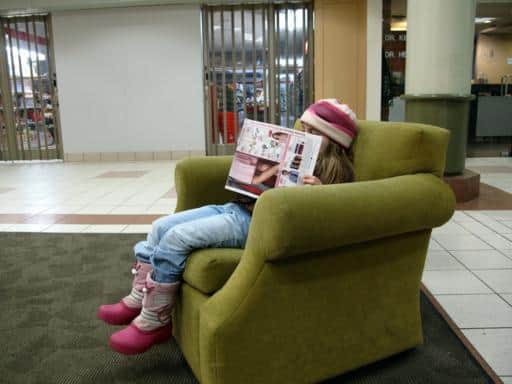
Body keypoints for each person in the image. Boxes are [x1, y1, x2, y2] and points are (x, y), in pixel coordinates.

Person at [97, 98, 358, 355]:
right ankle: (139, 296)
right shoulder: (291, 150)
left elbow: (331, 211)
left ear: (335, 141)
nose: (307, 135)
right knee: (159, 227)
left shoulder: (338, 172)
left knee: (176, 238)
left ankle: (155, 319)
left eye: (316, 133)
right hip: (237, 208)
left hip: (254, 224)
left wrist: (318, 192)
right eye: (306, 129)